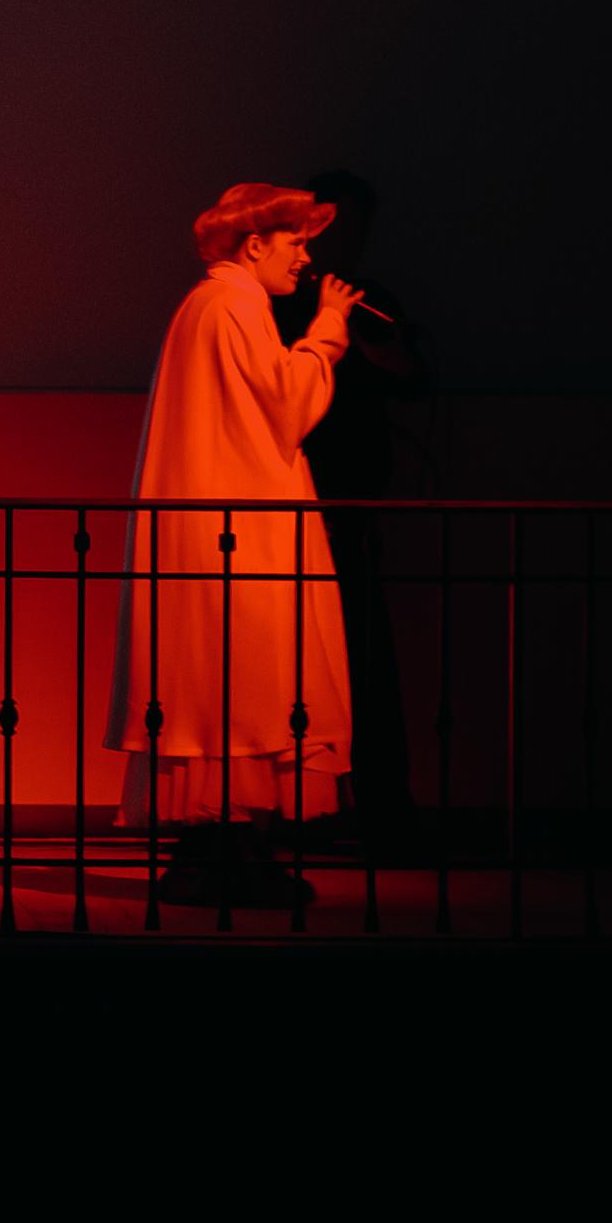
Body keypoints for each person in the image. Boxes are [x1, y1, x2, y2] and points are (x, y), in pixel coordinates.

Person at [106, 181, 358, 899]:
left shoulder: (214, 304)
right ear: (255, 245)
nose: (305, 259)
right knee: (244, 676)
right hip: (238, 536)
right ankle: (224, 849)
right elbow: (287, 403)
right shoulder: (233, 304)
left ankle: (226, 846)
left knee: (231, 679)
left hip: (225, 528)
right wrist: (328, 330)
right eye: (295, 243)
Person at [291, 167, 432, 832]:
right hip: (291, 500)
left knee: (364, 648)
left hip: (353, 502)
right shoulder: (279, 299)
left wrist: (386, 356)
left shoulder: (372, 301)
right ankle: (297, 803)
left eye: (358, 227)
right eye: (334, 224)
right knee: (296, 650)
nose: (346, 239)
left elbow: (414, 378)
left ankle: (380, 803)